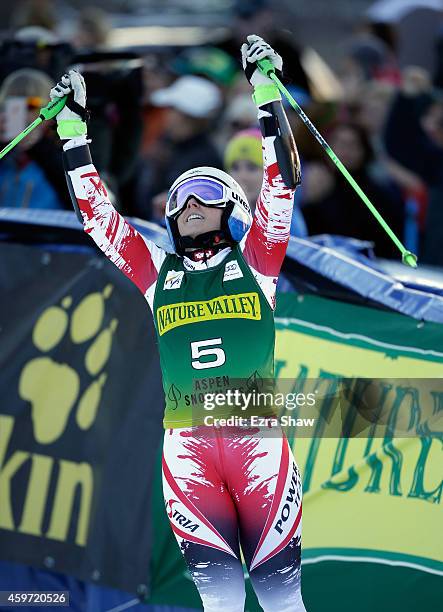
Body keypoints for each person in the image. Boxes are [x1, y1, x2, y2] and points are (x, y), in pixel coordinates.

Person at [51, 34, 305, 612]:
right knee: (218, 602)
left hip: (256, 442)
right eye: (181, 198)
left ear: (230, 210)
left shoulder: (258, 261)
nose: (190, 204)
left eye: (206, 195)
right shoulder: (156, 272)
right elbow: (100, 221)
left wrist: (266, 91)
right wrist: (73, 136)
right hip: (185, 450)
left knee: (280, 599)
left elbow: (282, 183)